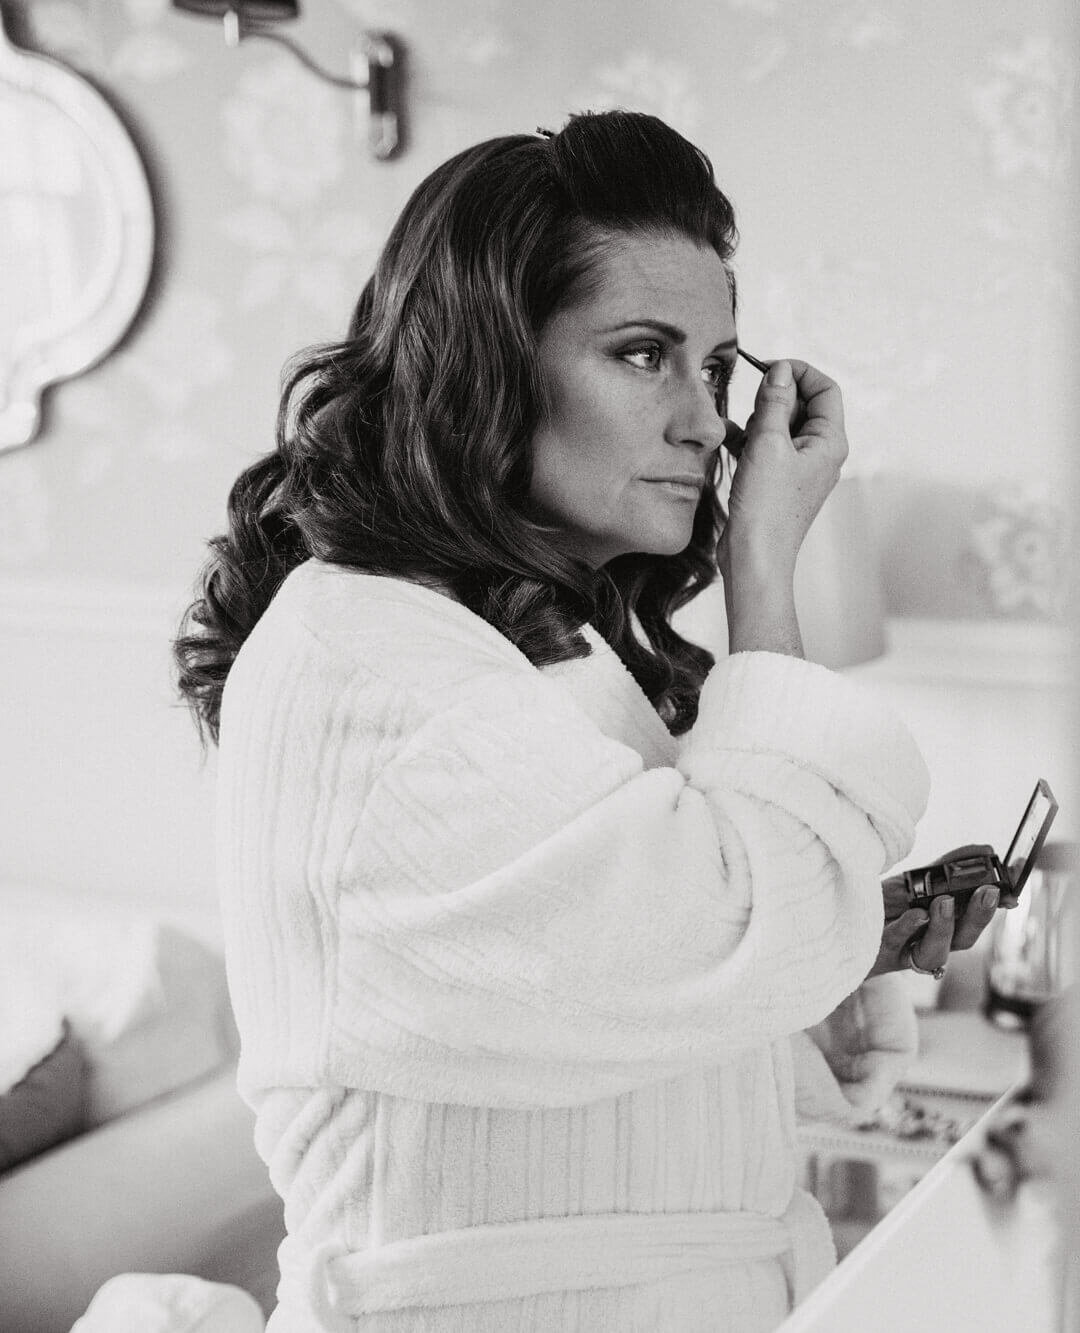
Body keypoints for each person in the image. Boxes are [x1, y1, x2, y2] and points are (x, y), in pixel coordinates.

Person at [171, 110, 997, 1332]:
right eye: (643, 354)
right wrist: (764, 560)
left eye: (714, 367)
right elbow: (726, 927)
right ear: (486, 365)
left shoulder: (549, 649)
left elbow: (595, 1000)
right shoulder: (372, 664)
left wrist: (839, 950)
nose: (709, 424)